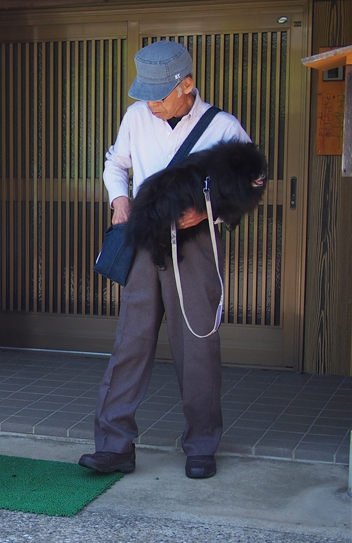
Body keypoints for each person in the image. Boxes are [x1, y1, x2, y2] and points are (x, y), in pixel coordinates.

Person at [78, 40, 252, 479]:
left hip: (195, 246)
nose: (150, 103)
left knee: (197, 345)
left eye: (159, 95)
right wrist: (120, 201)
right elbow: (115, 164)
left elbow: (252, 181)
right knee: (129, 343)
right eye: (145, 94)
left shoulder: (223, 127)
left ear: (187, 85)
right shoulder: (136, 116)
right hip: (144, 241)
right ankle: (114, 445)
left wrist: (206, 211)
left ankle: (201, 445)